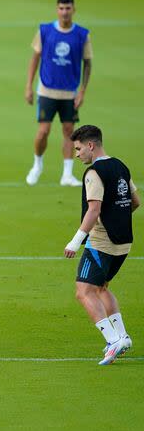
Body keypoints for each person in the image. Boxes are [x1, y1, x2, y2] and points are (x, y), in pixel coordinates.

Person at [63, 125, 138, 365]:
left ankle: (112, 340)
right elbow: (134, 202)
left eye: (78, 148)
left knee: (83, 291)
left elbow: (94, 209)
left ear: (90, 145)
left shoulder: (94, 173)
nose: (76, 154)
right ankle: (122, 337)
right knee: (101, 288)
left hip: (101, 242)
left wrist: (76, 242)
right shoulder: (121, 166)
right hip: (124, 243)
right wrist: (116, 218)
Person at [25, 0, 92, 187]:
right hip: (47, 90)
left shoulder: (81, 34)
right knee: (43, 131)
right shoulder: (45, 31)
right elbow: (34, 59)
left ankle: (67, 174)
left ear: (73, 10)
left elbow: (87, 64)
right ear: (57, 10)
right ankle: (37, 165)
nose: (64, 12)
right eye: (61, 8)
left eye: (68, 8)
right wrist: (29, 86)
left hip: (70, 92)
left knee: (70, 132)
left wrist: (82, 91)